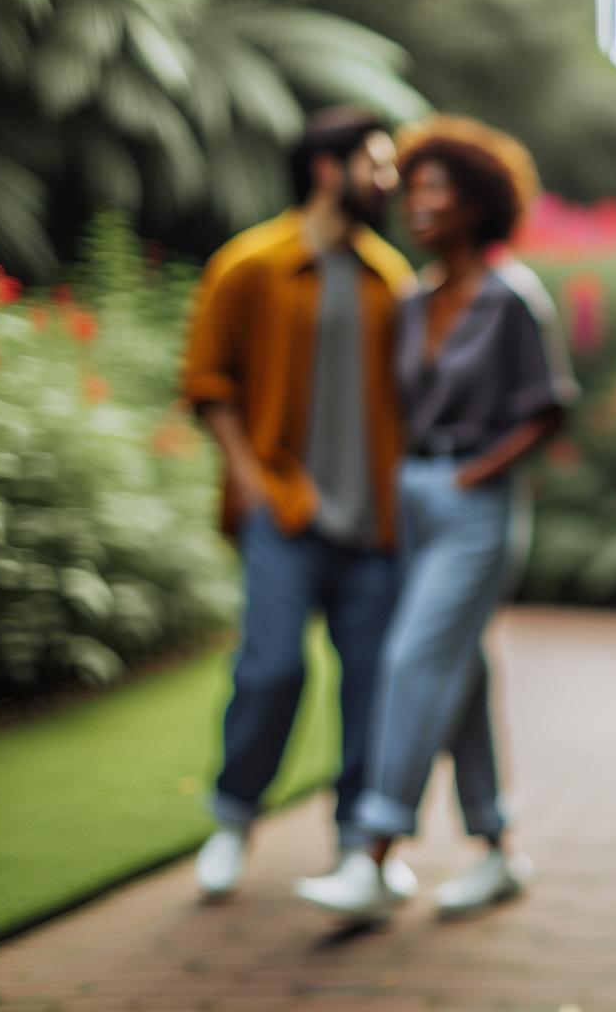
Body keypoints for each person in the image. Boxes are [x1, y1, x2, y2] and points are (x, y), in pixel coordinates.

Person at [294, 115, 579, 921]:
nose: (418, 205)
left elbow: (550, 407)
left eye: (436, 192)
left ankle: (374, 851)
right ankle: (496, 850)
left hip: (474, 503)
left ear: (476, 205)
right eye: (412, 190)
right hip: (410, 495)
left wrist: (475, 471)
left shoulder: (513, 296)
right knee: (460, 678)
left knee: (414, 659)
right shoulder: (413, 298)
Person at [183, 107, 420, 901]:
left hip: (376, 526)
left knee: (371, 687)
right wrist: (247, 477)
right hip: (283, 512)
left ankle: (357, 845)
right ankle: (233, 818)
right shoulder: (248, 264)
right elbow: (210, 382)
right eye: (377, 165)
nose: (390, 181)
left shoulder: (392, 278)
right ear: (328, 169)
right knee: (272, 670)